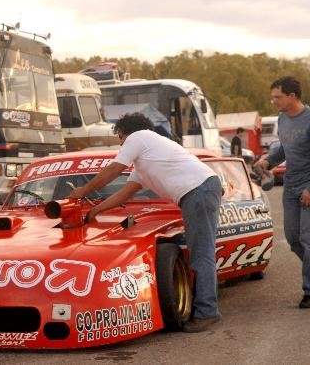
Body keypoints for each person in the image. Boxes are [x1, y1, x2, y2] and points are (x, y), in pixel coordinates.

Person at [69, 113, 223, 332]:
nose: (121, 145)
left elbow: (114, 169)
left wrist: (83, 191)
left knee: (201, 253)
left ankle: (207, 312)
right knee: (201, 252)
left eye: (120, 139)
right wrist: (95, 210)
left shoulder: (139, 137)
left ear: (124, 133)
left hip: (198, 191)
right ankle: (206, 308)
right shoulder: (146, 160)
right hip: (200, 190)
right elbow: (125, 193)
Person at [254, 76, 310, 309]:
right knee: (294, 239)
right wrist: (268, 161)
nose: (274, 101)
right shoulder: (283, 119)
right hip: (291, 188)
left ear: (293, 96)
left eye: (278, 97)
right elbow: (285, 147)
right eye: (273, 97)